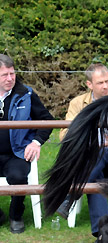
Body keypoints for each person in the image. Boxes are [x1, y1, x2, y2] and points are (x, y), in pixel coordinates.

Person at [56, 63, 108, 243]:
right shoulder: (77, 104)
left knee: (104, 152)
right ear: (89, 85)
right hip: (92, 162)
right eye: (100, 83)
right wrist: (86, 139)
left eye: (107, 81)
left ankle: (71, 195)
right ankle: (102, 237)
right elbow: (63, 134)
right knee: (96, 178)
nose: (106, 86)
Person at [0, 54, 54, 233]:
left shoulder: (26, 94)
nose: (10, 79)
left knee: (17, 177)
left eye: (12, 74)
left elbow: (47, 121)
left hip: (18, 153)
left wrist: (36, 142)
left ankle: (16, 216)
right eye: (4, 75)